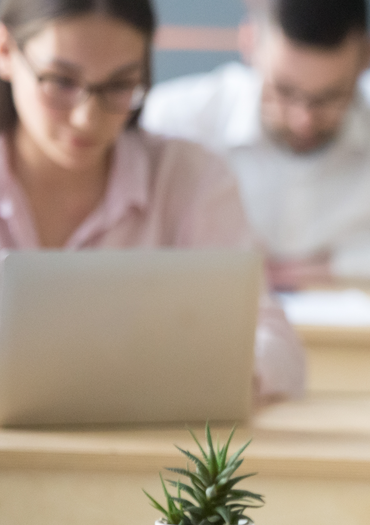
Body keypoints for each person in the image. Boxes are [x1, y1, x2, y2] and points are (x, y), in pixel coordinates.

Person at [0, 0, 305, 401]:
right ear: (5, 51)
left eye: (119, 85)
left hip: (154, 451)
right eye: (60, 80)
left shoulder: (192, 179)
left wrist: (206, 375)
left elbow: (277, 345)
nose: (86, 118)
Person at [141, 0, 370, 290]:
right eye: (283, 91)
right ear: (249, 43)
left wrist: (342, 267)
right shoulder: (175, 120)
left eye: (329, 98)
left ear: (369, 57)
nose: (304, 120)